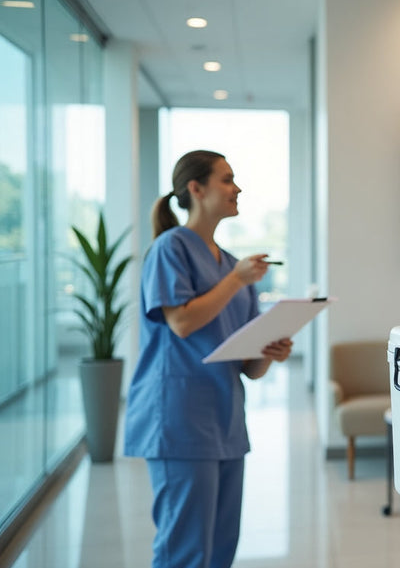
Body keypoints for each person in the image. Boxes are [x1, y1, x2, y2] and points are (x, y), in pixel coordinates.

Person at [124, 149, 293, 568]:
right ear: (196, 189)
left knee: (220, 548)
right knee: (185, 551)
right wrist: (235, 281)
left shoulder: (235, 267)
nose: (237, 188)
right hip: (179, 418)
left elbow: (250, 367)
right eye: (227, 179)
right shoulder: (170, 249)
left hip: (225, 419)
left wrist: (271, 352)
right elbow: (182, 322)